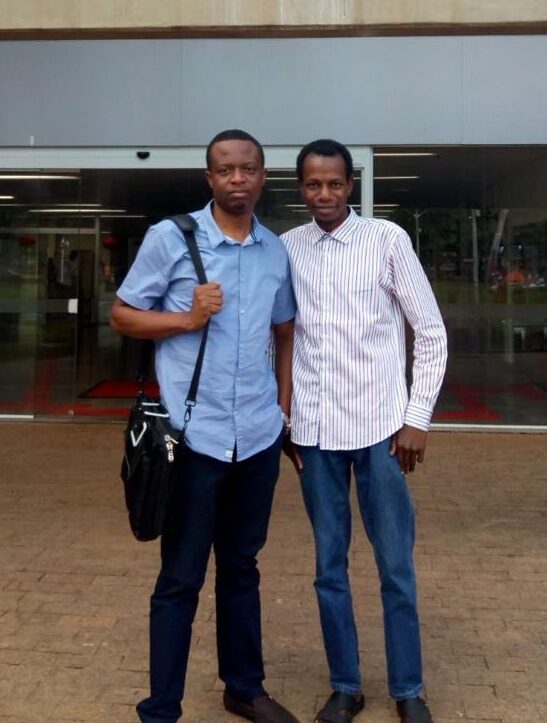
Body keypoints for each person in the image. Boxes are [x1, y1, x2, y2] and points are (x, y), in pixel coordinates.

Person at [110, 129, 299, 723]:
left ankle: (244, 687)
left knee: (242, 567)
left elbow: (284, 332)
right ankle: (161, 706)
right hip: (194, 438)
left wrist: (284, 410)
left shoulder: (275, 250)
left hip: (259, 436)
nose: (236, 179)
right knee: (181, 577)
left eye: (247, 169)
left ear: (262, 176)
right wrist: (186, 318)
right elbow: (122, 314)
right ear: (209, 178)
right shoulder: (172, 238)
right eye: (225, 170)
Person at [281, 139, 447, 723]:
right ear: (299, 188)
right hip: (314, 437)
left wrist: (417, 418)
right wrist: (284, 424)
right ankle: (346, 685)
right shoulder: (286, 250)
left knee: (395, 566)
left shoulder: (386, 241)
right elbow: (278, 342)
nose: (323, 194)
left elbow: (429, 332)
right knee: (329, 567)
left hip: (381, 432)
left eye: (333, 183)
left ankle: (409, 690)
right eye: (311, 184)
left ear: (350, 186)